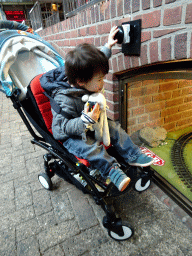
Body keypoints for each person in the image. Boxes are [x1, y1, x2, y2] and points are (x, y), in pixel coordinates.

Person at [40, 26, 154, 192]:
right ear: (81, 81)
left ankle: (132, 154)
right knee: (90, 146)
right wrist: (84, 121)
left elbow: (92, 67)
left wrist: (107, 46)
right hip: (72, 135)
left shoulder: (83, 76)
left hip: (90, 122)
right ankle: (110, 170)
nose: (102, 83)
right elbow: (59, 129)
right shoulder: (64, 99)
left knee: (114, 127)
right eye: (100, 80)